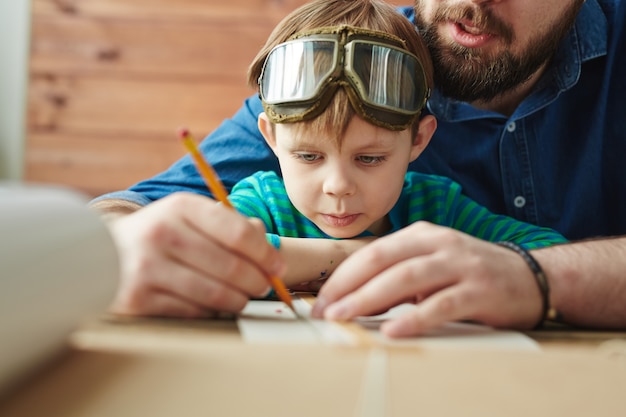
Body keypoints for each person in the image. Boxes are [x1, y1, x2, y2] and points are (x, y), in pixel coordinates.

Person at [91, 0, 626, 335]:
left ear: (418, 138)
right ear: (273, 140)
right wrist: (121, 247)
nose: (339, 185)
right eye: (308, 157)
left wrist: (535, 276)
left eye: (370, 157)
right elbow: (128, 214)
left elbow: (541, 249)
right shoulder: (334, 64)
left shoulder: (435, 204)